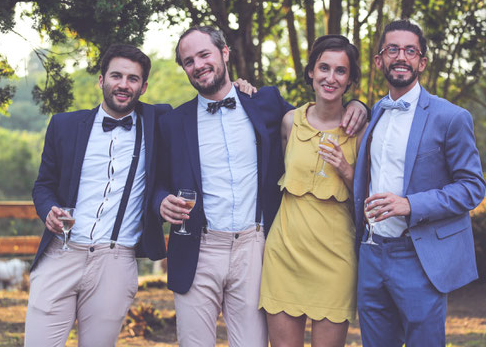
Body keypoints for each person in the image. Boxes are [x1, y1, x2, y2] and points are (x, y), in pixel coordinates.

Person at [153, 26, 368, 346]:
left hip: (255, 248)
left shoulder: (265, 103)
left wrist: (359, 105)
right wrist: (161, 201)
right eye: (188, 61)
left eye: (204, 55)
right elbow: (157, 182)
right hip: (199, 247)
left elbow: (320, 114)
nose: (197, 65)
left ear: (224, 53)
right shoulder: (172, 121)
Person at [25, 44, 170, 346]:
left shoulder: (160, 123)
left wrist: (237, 87)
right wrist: (49, 209)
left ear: (143, 87)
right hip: (61, 255)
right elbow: (43, 186)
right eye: (116, 76)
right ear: (101, 80)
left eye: (133, 79)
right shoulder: (64, 125)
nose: (123, 84)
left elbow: (204, 102)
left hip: (115, 263)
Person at [353, 19, 486, 346]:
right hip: (371, 255)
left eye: (410, 51)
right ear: (379, 60)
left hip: (418, 256)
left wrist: (411, 204)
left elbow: (472, 187)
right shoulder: (375, 114)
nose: (401, 57)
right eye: (393, 49)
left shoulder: (450, 117)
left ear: (422, 62)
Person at [259, 35, 366, 347]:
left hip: (336, 259)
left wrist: (346, 170)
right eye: (324, 68)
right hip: (285, 254)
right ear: (311, 72)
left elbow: (368, 196)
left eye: (340, 71)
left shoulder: (361, 131)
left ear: (349, 80)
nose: (330, 78)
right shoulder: (290, 122)